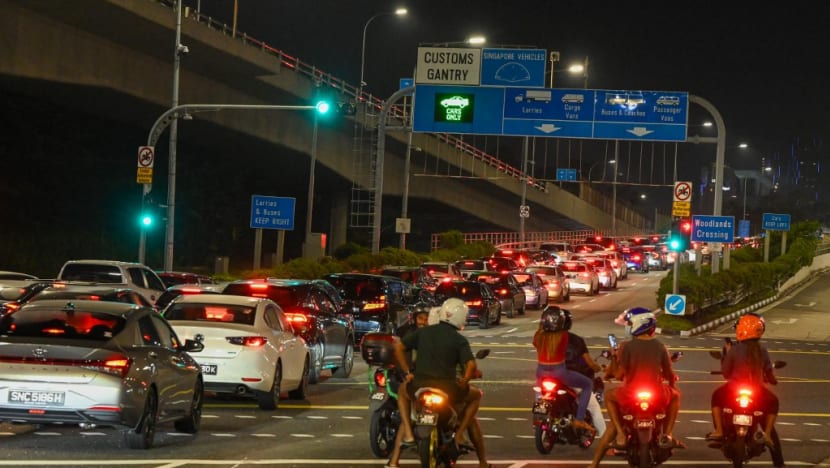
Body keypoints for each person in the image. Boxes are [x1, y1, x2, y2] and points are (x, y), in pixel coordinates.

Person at [392, 298, 491, 468]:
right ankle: (460, 435)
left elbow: (399, 347)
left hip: (419, 386)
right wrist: (465, 380)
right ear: (460, 317)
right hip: (448, 389)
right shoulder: (458, 340)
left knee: (403, 393)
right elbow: (471, 364)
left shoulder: (423, 333)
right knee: (476, 396)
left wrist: (407, 372)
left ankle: (408, 434)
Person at [589, 307, 682, 468]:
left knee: (610, 397)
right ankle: (667, 434)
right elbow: (669, 374)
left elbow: (618, 375)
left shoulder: (627, 347)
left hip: (630, 394)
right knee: (676, 396)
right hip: (657, 394)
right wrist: (672, 385)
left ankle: (614, 441)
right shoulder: (661, 346)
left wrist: (613, 359)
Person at [706, 313, 785, 467]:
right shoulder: (762, 350)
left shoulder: (734, 350)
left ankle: (720, 431)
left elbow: (726, 373)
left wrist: (726, 355)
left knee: (716, 396)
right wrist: (772, 380)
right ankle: (768, 437)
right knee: (773, 403)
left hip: (733, 390)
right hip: (757, 393)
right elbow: (769, 372)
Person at [533, 306, 596, 435]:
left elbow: (536, 343)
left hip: (541, 372)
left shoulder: (539, 336)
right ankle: (579, 419)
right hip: (559, 373)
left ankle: (539, 416)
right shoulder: (564, 336)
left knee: (540, 392)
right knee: (588, 384)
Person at [386, 303, 431, 468]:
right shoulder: (409, 335)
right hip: (414, 380)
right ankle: (394, 459)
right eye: (421, 318)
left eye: (427, 319)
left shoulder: (431, 335)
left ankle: (394, 460)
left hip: (427, 381)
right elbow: (400, 354)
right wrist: (407, 373)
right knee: (408, 416)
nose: (424, 322)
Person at [562, 308, 607, 437]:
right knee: (594, 407)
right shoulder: (576, 340)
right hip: (571, 378)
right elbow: (590, 363)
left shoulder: (547, 339)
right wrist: (598, 368)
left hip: (547, 376)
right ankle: (605, 441)